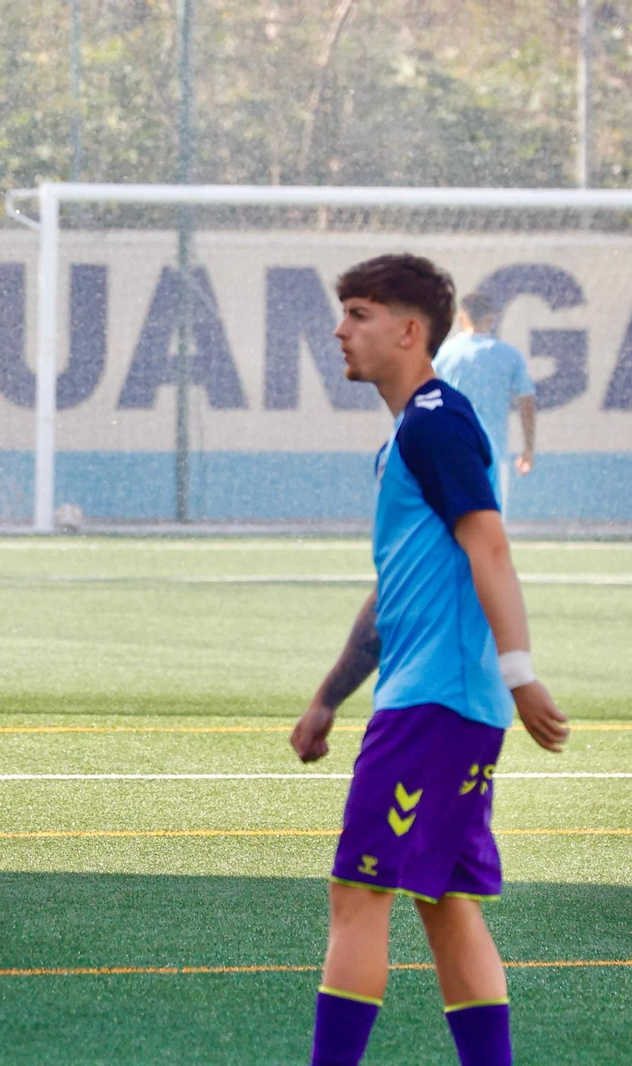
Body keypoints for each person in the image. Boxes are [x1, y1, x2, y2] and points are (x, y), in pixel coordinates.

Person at [289, 254, 569, 1066]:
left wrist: (520, 672)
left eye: (359, 313)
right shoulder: (409, 435)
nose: (340, 330)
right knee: (445, 902)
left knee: (359, 890)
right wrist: (329, 697)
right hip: (441, 702)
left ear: (409, 331)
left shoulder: (437, 420)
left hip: (435, 706)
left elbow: (490, 545)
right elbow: (396, 591)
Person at [432, 291, 537, 510]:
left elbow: (426, 398)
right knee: (492, 517)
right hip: (493, 452)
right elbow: (526, 401)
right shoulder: (509, 355)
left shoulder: (445, 354)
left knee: (453, 517)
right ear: (491, 318)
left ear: (461, 317)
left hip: (452, 449)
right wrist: (528, 447)